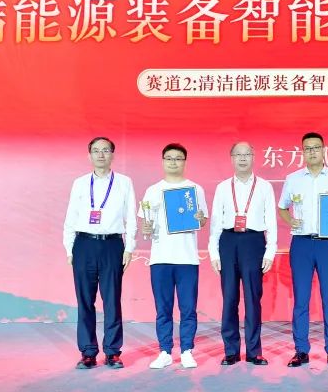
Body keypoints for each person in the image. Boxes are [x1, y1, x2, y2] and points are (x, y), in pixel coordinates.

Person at [63, 136, 136, 370]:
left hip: (112, 245)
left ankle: (113, 352)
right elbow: (71, 217)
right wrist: (69, 248)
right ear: (89, 156)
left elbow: (131, 216)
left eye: (105, 150)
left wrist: (130, 247)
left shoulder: (124, 182)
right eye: (96, 150)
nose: (101, 154)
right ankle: (88, 352)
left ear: (112, 154)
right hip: (84, 244)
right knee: (85, 300)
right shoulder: (80, 183)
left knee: (112, 300)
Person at [278, 132, 328, 368]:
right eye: (307, 148)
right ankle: (301, 350)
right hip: (301, 244)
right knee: (301, 299)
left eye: (316, 147)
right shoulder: (293, 179)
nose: (312, 152)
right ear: (302, 152)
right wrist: (291, 220)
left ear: (324, 150)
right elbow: (282, 207)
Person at [139, 143, 208, 370]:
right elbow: (146, 225)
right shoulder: (152, 190)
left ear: (184, 162)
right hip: (160, 259)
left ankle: (187, 350)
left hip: (187, 259)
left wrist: (200, 218)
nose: (173, 162)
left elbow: (202, 221)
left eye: (178, 158)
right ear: (162, 161)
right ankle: (165, 351)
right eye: (169, 158)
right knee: (163, 309)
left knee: (188, 308)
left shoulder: (195, 189)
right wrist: (146, 229)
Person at [208, 142, 278, 366]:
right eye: (238, 154)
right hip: (228, 241)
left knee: (252, 298)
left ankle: (254, 351)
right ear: (231, 158)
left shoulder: (265, 187)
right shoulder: (222, 187)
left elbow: (271, 221)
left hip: (253, 242)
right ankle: (231, 350)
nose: (242, 158)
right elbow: (215, 222)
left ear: (253, 157)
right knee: (229, 297)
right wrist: (213, 252)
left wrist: (270, 251)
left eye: (247, 154)